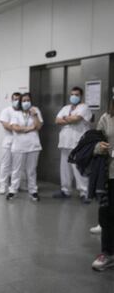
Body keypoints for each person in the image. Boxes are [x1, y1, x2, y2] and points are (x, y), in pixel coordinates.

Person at [53, 87, 92, 203]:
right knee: (65, 169)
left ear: (81, 96)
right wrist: (69, 119)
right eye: (72, 94)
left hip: (78, 143)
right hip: (65, 143)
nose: (74, 96)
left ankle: (84, 193)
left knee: (79, 168)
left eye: (76, 94)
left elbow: (77, 119)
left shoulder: (84, 107)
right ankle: (65, 190)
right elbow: (57, 120)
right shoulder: (66, 108)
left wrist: (65, 119)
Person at [91, 101, 114, 271]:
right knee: (107, 214)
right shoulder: (107, 118)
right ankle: (108, 253)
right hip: (111, 174)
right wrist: (98, 147)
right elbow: (93, 142)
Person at [6, 93, 43, 201]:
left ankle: (33, 191)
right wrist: (30, 128)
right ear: (20, 103)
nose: (26, 102)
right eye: (23, 101)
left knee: (31, 170)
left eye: (28, 100)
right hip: (18, 146)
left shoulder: (36, 111)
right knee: (16, 170)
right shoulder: (16, 114)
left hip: (33, 145)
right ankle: (13, 190)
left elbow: (39, 126)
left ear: (31, 101)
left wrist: (35, 116)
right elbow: (15, 128)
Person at [0, 92, 21, 194]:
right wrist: (18, 128)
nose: (17, 101)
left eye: (18, 99)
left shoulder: (22, 112)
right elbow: (6, 125)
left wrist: (18, 128)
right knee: (5, 164)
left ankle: (15, 186)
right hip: (9, 139)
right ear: (11, 100)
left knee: (17, 166)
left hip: (20, 140)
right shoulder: (6, 111)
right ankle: (3, 185)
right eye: (15, 99)